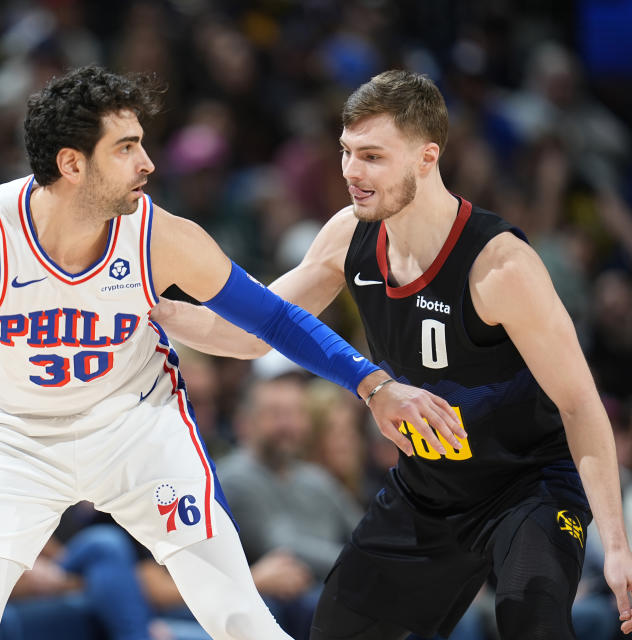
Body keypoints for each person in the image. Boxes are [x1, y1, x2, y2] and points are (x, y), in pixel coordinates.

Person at [0, 66, 462, 640]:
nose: (148, 163)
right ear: (73, 164)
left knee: (238, 613)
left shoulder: (159, 237)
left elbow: (271, 319)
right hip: (14, 440)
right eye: (127, 147)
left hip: (135, 427)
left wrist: (373, 383)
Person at [152, 70, 632, 639]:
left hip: (527, 486)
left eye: (373, 156)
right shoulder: (347, 235)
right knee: (334, 630)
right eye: (347, 152)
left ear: (426, 158)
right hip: (427, 488)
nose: (352, 172)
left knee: (534, 621)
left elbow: (580, 405)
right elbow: (251, 334)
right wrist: (152, 305)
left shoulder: (499, 266)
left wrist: (619, 549)